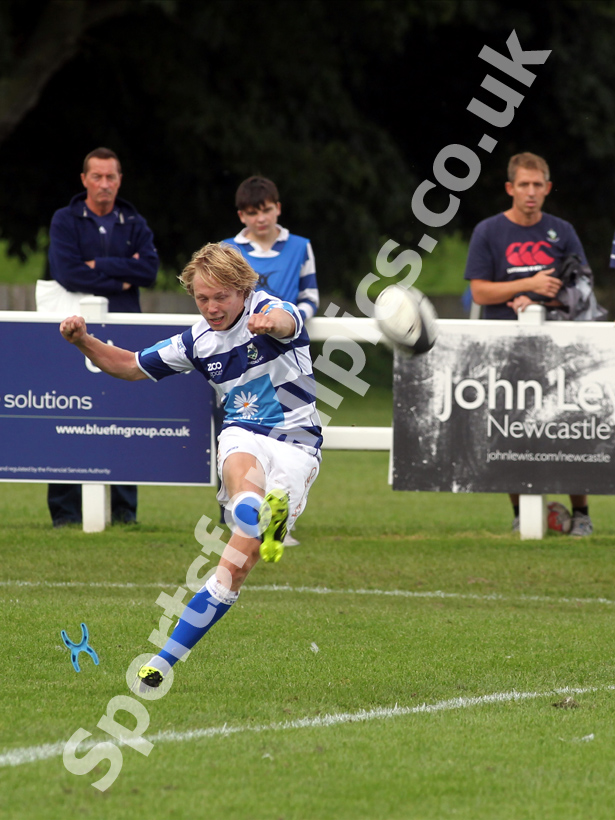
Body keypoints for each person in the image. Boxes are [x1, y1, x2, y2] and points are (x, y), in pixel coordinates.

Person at [59, 242, 322, 688]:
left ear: (243, 290)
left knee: (240, 565)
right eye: (203, 298)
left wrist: (269, 322)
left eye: (221, 296)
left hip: (298, 443)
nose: (212, 307)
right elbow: (128, 366)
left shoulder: (270, 309)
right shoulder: (197, 340)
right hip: (245, 431)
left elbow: (288, 320)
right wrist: (83, 341)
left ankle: (261, 514)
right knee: (238, 455)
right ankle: (161, 662)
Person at [464, 151, 593, 536]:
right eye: (524, 184)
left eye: (538, 185)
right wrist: (529, 285)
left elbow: (582, 291)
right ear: (510, 188)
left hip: (559, 348)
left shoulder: (562, 230)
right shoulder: (489, 231)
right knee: (509, 432)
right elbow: (481, 292)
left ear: (548, 188)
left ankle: (582, 515)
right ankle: (522, 515)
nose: (531, 192)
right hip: (504, 349)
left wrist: (541, 301)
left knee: (569, 429)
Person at [46, 147, 159, 526]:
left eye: (111, 177)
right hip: (73, 333)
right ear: (84, 180)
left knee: (125, 419)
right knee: (67, 414)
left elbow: (151, 271)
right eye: (97, 176)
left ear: (120, 180)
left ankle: (125, 512)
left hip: (125, 333)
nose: (104, 184)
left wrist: (99, 265)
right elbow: (68, 273)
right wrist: (123, 275)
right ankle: (65, 513)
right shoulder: (65, 219)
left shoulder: (134, 221)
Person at [221, 175, 320, 544]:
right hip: (240, 359)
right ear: (241, 215)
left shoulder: (300, 247)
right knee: (240, 430)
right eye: (251, 212)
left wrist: (290, 322)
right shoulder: (229, 249)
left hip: (288, 357)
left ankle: (282, 517)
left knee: (289, 432)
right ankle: (241, 514)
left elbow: (310, 295)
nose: (260, 218)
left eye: (265, 210)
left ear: (277, 207)